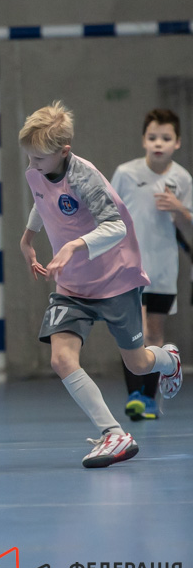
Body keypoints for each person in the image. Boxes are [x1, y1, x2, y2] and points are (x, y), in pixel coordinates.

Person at [17, 102, 183, 468]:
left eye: (39, 158)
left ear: (64, 152)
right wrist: (28, 238)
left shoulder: (85, 177)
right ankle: (114, 434)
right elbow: (43, 200)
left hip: (114, 279)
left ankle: (168, 359)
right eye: (29, 157)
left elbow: (116, 226)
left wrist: (73, 245)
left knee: (138, 364)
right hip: (72, 284)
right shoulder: (36, 169)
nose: (32, 164)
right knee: (61, 359)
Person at [110, 109, 192, 420]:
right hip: (130, 268)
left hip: (164, 269)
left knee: (155, 333)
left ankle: (148, 398)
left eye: (166, 138)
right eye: (153, 137)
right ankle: (133, 394)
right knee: (135, 331)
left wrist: (179, 209)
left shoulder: (182, 179)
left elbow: (188, 226)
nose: (159, 143)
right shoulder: (125, 173)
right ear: (144, 140)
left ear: (177, 142)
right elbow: (109, 214)